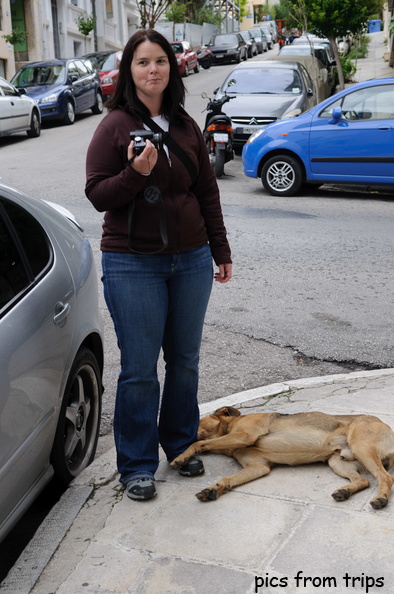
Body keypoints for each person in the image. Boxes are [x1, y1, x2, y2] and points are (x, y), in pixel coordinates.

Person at [85, 29, 232, 501]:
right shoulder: (113, 127)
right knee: (140, 369)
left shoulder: (185, 125)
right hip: (133, 264)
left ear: (172, 67)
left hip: (190, 260)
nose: (154, 70)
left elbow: (207, 192)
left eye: (161, 61)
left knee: (185, 362)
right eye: (143, 62)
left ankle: (181, 444)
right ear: (130, 71)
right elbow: (97, 194)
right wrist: (136, 174)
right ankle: (137, 465)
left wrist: (220, 250)